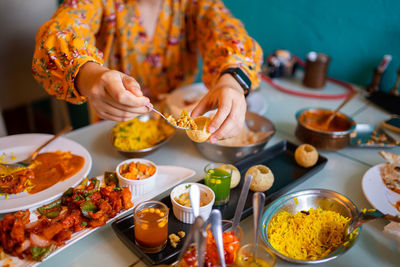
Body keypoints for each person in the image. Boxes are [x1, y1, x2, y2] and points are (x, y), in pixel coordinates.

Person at [32, 0, 263, 143]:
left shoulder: (196, 3)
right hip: (113, 131)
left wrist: (232, 81)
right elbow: (56, 36)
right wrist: (89, 75)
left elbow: (229, 32)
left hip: (179, 135)